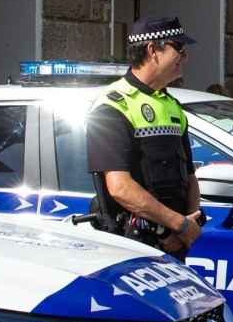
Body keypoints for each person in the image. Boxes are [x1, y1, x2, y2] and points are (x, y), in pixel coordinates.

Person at [87, 16, 204, 259]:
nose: (185, 57)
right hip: (135, 246)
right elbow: (120, 188)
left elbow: (189, 177)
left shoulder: (172, 106)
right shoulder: (113, 106)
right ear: (153, 50)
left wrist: (189, 225)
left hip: (176, 242)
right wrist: (177, 226)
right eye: (179, 48)